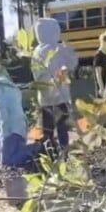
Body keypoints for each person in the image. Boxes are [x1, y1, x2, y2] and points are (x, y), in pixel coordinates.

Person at [32, 17, 78, 151]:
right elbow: (72, 64)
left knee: (48, 128)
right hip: (60, 95)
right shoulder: (58, 49)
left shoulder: (36, 52)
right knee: (62, 126)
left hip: (45, 97)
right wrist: (70, 51)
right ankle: (63, 151)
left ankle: (49, 152)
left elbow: (36, 75)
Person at [0, 65, 41, 170]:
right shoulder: (12, 88)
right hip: (19, 127)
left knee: (7, 161)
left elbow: (2, 113)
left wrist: (3, 131)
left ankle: (36, 149)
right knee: (12, 156)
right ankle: (35, 149)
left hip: (9, 130)